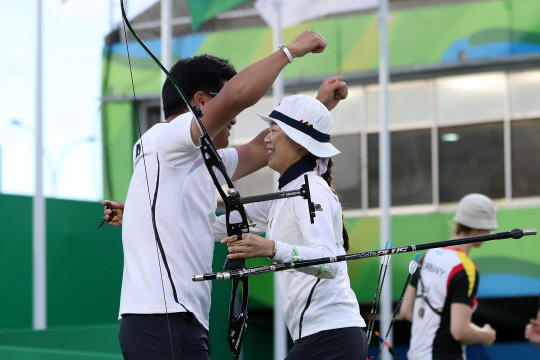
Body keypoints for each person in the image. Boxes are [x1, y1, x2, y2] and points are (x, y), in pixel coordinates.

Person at [113, 31, 335, 360]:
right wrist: (291, 51)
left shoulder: (198, 161)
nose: (233, 119)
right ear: (201, 102)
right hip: (160, 320)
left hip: (179, 322)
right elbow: (235, 99)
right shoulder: (166, 139)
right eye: (223, 102)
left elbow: (262, 148)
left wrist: (318, 106)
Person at [212, 95, 367, 360]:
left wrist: (269, 248)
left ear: (298, 140)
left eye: (273, 130)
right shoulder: (286, 194)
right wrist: (142, 213)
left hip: (332, 336)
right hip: (324, 337)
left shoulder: (313, 191)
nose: (266, 139)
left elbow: (328, 263)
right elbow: (216, 226)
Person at [399, 193, 498, 360]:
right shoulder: (465, 269)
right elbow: (460, 331)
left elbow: (407, 311)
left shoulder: (428, 255)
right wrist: (485, 335)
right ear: (481, 228)